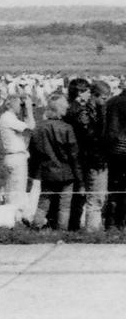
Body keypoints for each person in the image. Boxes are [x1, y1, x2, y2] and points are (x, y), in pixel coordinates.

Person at [28, 95, 82, 230]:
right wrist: (79, 178)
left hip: (47, 171)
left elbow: (33, 153)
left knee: (44, 202)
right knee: (64, 205)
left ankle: (35, 227)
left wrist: (33, 175)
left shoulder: (39, 128)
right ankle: (61, 231)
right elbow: (74, 155)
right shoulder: (67, 128)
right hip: (66, 173)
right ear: (59, 109)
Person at [65, 77, 108, 231]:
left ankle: (74, 227)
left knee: (79, 196)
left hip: (80, 157)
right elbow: (91, 136)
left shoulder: (73, 109)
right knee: (93, 197)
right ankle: (92, 230)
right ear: (81, 92)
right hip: (91, 158)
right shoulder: (82, 112)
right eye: (87, 91)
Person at [0, 93, 36, 217]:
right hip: (16, 158)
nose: (21, 106)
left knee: (14, 190)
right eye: (20, 104)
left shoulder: (10, 118)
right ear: (12, 104)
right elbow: (31, 127)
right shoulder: (8, 117)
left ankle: (12, 217)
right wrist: (29, 109)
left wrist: (25, 112)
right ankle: (15, 218)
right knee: (17, 192)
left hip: (14, 157)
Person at [104, 81, 126, 231]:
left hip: (113, 152)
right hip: (123, 149)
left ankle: (111, 223)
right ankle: (122, 222)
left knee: (113, 188)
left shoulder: (111, 102)